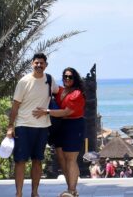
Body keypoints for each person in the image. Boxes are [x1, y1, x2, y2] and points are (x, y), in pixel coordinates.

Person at [7, 53, 58, 197]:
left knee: (37, 160)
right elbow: (15, 106)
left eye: (42, 63)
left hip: (42, 127)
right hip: (23, 126)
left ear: (46, 65)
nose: (39, 65)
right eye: (36, 63)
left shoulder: (49, 80)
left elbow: (60, 92)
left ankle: (35, 193)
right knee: (20, 161)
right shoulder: (24, 82)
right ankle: (19, 193)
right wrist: (10, 127)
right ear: (32, 64)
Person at [36, 66, 85, 197]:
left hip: (74, 125)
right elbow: (46, 85)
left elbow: (66, 112)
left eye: (70, 77)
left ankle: (72, 190)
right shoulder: (61, 91)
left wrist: (46, 112)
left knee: (71, 159)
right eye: (65, 76)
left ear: (75, 79)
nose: (67, 79)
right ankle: (70, 189)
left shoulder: (77, 94)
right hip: (59, 126)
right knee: (61, 159)